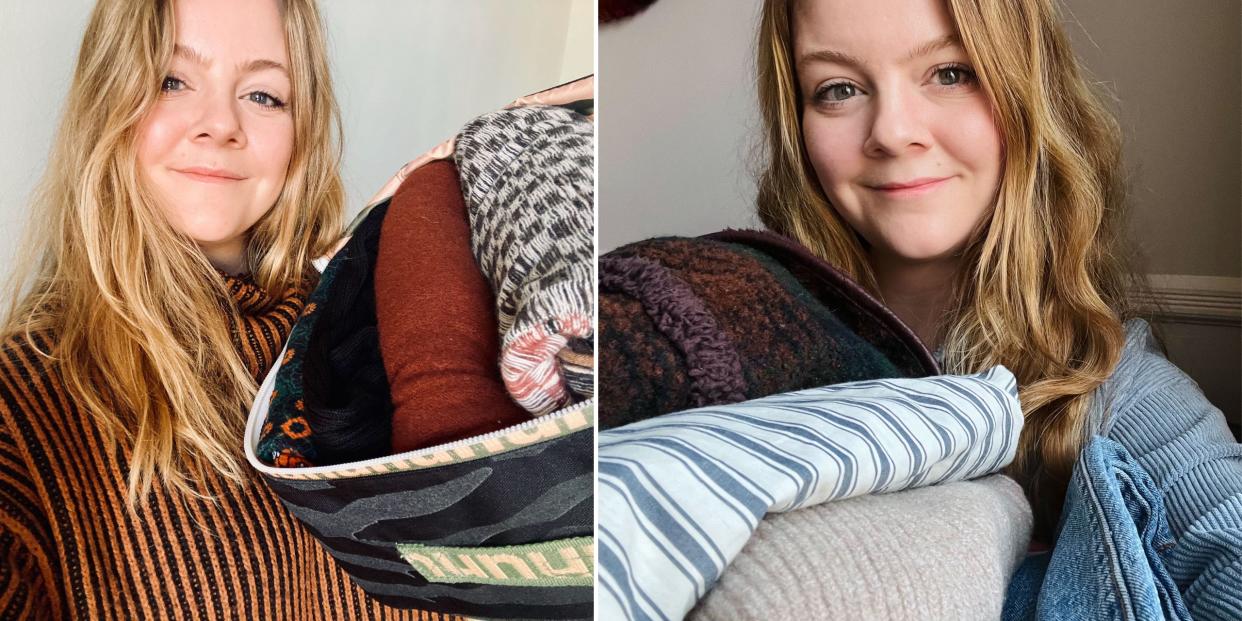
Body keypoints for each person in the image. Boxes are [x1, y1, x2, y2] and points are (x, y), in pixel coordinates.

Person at [754, 0, 1240, 615]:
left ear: (1025, 91)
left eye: (950, 73)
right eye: (839, 88)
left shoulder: (1123, 400)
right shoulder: (728, 345)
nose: (892, 131)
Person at [0, 0, 456, 618]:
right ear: (107, 99)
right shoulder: (21, 402)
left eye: (264, 95)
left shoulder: (382, 335)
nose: (220, 124)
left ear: (304, 130)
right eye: (172, 81)